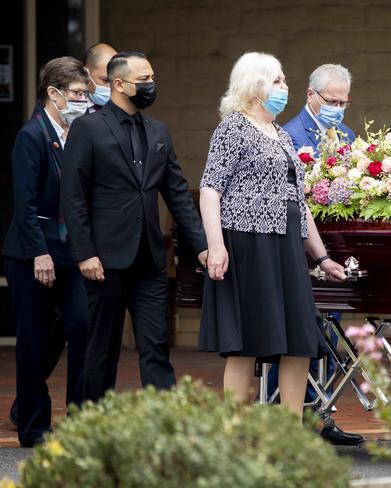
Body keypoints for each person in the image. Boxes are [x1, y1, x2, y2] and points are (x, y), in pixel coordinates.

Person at [198, 51, 347, 422]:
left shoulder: (280, 134)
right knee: (245, 344)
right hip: (247, 243)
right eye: (278, 81)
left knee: (299, 341)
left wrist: (322, 256)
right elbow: (210, 189)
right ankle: (234, 432)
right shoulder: (233, 127)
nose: (285, 87)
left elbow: (298, 200)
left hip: (285, 246)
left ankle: (290, 432)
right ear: (255, 86)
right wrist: (215, 245)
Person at [61, 51, 208, 402]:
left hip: (149, 261)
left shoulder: (157, 131)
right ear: (118, 84)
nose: (150, 85)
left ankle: (166, 428)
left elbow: (176, 194)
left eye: (151, 78)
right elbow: (73, 196)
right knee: (102, 350)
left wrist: (203, 245)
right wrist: (85, 254)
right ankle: (90, 427)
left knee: (156, 347)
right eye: (143, 80)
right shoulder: (88, 128)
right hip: (104, 261)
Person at [2, 57, 91, 447]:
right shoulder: (32, 135)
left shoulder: (77, 132)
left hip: (72, 252)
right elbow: (24, 203)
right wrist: (40, 253)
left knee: (82, 327)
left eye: (86, 93)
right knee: (35, 338)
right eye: (77, 93)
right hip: (33, 254)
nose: (83, 100)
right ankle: (34, 424)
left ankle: (81, 419)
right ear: (53, 94)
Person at [278, 63, 362, 445]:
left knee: (331, 337)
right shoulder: (290, 135)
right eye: (333, 100)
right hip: (301, 250)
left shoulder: (346, 135)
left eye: (344, 101)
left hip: (336, 252)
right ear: (311, 95)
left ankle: (323, 416)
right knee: (305, 338)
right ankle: (300, 416)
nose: (339, 108)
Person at [283, 63, 354, 148]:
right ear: (310, 95)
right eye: (331, 101)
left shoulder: (348, 134)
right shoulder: (290, 136)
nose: (337, 108)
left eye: (342, 103)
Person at [83, 42, 118, 112]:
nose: (113, 87)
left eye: (117, 81)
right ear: (85, 74)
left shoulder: (125, 110)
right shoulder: (71, 108)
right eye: (106, 80)